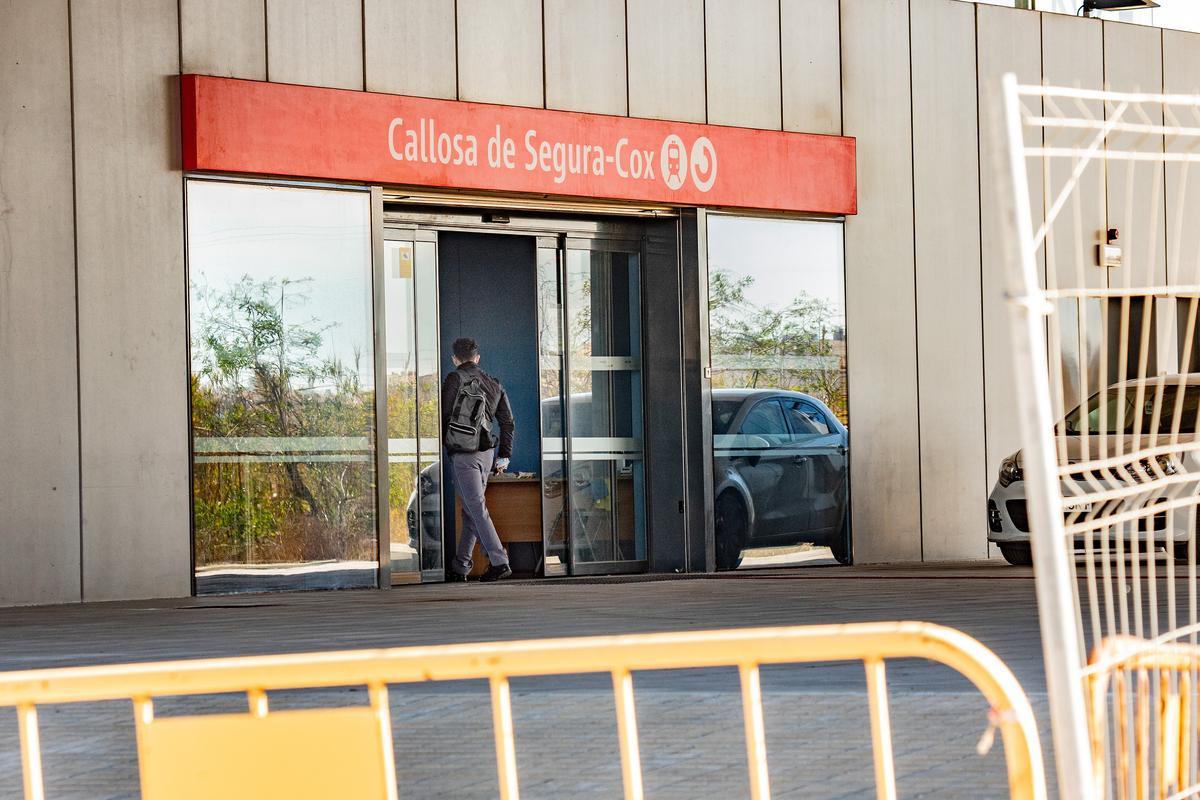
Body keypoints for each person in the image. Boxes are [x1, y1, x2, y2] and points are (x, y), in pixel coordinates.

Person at [441, 337, 515, 582]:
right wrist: (504, 457)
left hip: (464, 455)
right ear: (477, 357)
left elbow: (443, 415)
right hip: (487, 454)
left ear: (455, 358)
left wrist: (447, 445)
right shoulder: (494, 383)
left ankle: (499, 561)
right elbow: (507, 423)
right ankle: (460, 566)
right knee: (472, 511)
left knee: (476, 509)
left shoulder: (454, 379)